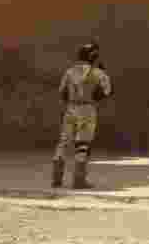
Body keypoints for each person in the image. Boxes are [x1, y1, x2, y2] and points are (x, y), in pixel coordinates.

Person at [52, 41, 112, 189]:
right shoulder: (98, 73)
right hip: (87, 109)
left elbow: (62, 92)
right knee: (83, 144)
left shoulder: (70, 71)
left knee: (64, 141)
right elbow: (106, 92)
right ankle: (79, 180)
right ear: (93, 56)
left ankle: (56, 179)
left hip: (71, 108)